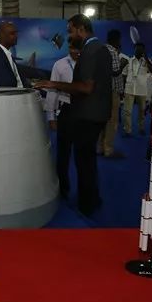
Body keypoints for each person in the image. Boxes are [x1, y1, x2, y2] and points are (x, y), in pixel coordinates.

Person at [34, 14, 113, 216]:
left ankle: (86, 205)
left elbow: (86, 87)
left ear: (80, 29)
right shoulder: (103, 49)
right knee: (89, 161)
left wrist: (53, 84)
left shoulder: (89, 51)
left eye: (70, 31)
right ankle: (93, 198)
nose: (69, 36)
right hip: (98, 114)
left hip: (87, 116)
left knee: (83, 162)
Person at [99, 29, 128, 158]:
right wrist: (123, 64)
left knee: (101, 120)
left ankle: (99, 147)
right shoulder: (113, 52)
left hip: (101, 91)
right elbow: (115, 72)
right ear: (116, 39)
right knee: (112, 122)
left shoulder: (101, 50)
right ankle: (108, 149)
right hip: (112, 92)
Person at [44, 40, 80, 130]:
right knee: (64, 138)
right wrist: (51, 117)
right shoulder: (59, 65)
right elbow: (52, 90)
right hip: (67, 108)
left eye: (78, 48)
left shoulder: (88, 64)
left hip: (85, 109)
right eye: (73, 48)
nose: (76, 51)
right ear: (69, 47)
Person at [122, 43, 152, 137]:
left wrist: (146, 57)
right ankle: (127, 130)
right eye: (136, 49)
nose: (138, 51)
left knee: (142, 110)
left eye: (140, 49)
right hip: (129, 88)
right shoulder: (129, 61)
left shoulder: (147, 61)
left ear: (143, 50)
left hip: (141, 89)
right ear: (134, 49)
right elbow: (124, 75)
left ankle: (141, 127)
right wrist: (123, 89)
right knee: (127, 111)